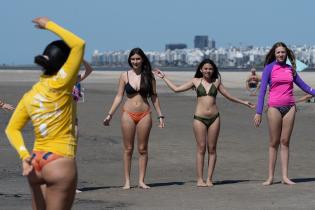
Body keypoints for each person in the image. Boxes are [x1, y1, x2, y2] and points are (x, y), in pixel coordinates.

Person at [5, 17, 85, 209]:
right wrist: (48, 24)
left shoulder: (30, 95)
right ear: (65, 64)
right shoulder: (62, 83)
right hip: (59, 160)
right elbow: (79, 44)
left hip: (36, 162)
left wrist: (24, 155)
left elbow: (12, 130)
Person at [154, 59, 255, 187]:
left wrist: (244, 102)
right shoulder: (195, 81)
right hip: (199, 118)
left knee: (212, 149)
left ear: (213, 70)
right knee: (201, 148)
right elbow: (176, 89)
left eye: (210, 68)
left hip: (215, 118)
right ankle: (200, 179)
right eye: (205, 68)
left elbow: (229, 96)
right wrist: (164, 77)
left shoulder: (217, 82)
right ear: (201, 69)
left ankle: (209, 178)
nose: (208, 71)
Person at [254, 42, 315, 186]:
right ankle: (270, 177)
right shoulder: (269, 68)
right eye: (278, 52)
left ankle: (285, 177)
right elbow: (262, 91)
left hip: (290, 108)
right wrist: (258, 112)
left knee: (285, 142)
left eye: (283, 52)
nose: (281, 54)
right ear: (274, 54)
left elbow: (304, 86)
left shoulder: (290, 69)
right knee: (274, 142)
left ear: (286, 53)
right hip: (274, 108)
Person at [103, 48, 165, 189]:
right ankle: (127, 181)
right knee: (128, 148)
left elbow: (154, 97)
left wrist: (160, 115)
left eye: (137, 59)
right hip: (128, 113)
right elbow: (119, 96)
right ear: (129, 60)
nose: (135, 61)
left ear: (142, 59)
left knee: (143, 149)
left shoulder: (149, 76)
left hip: (145, 114)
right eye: (132, 59)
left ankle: (142, 180)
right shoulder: (124, 75)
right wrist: (109, 114)